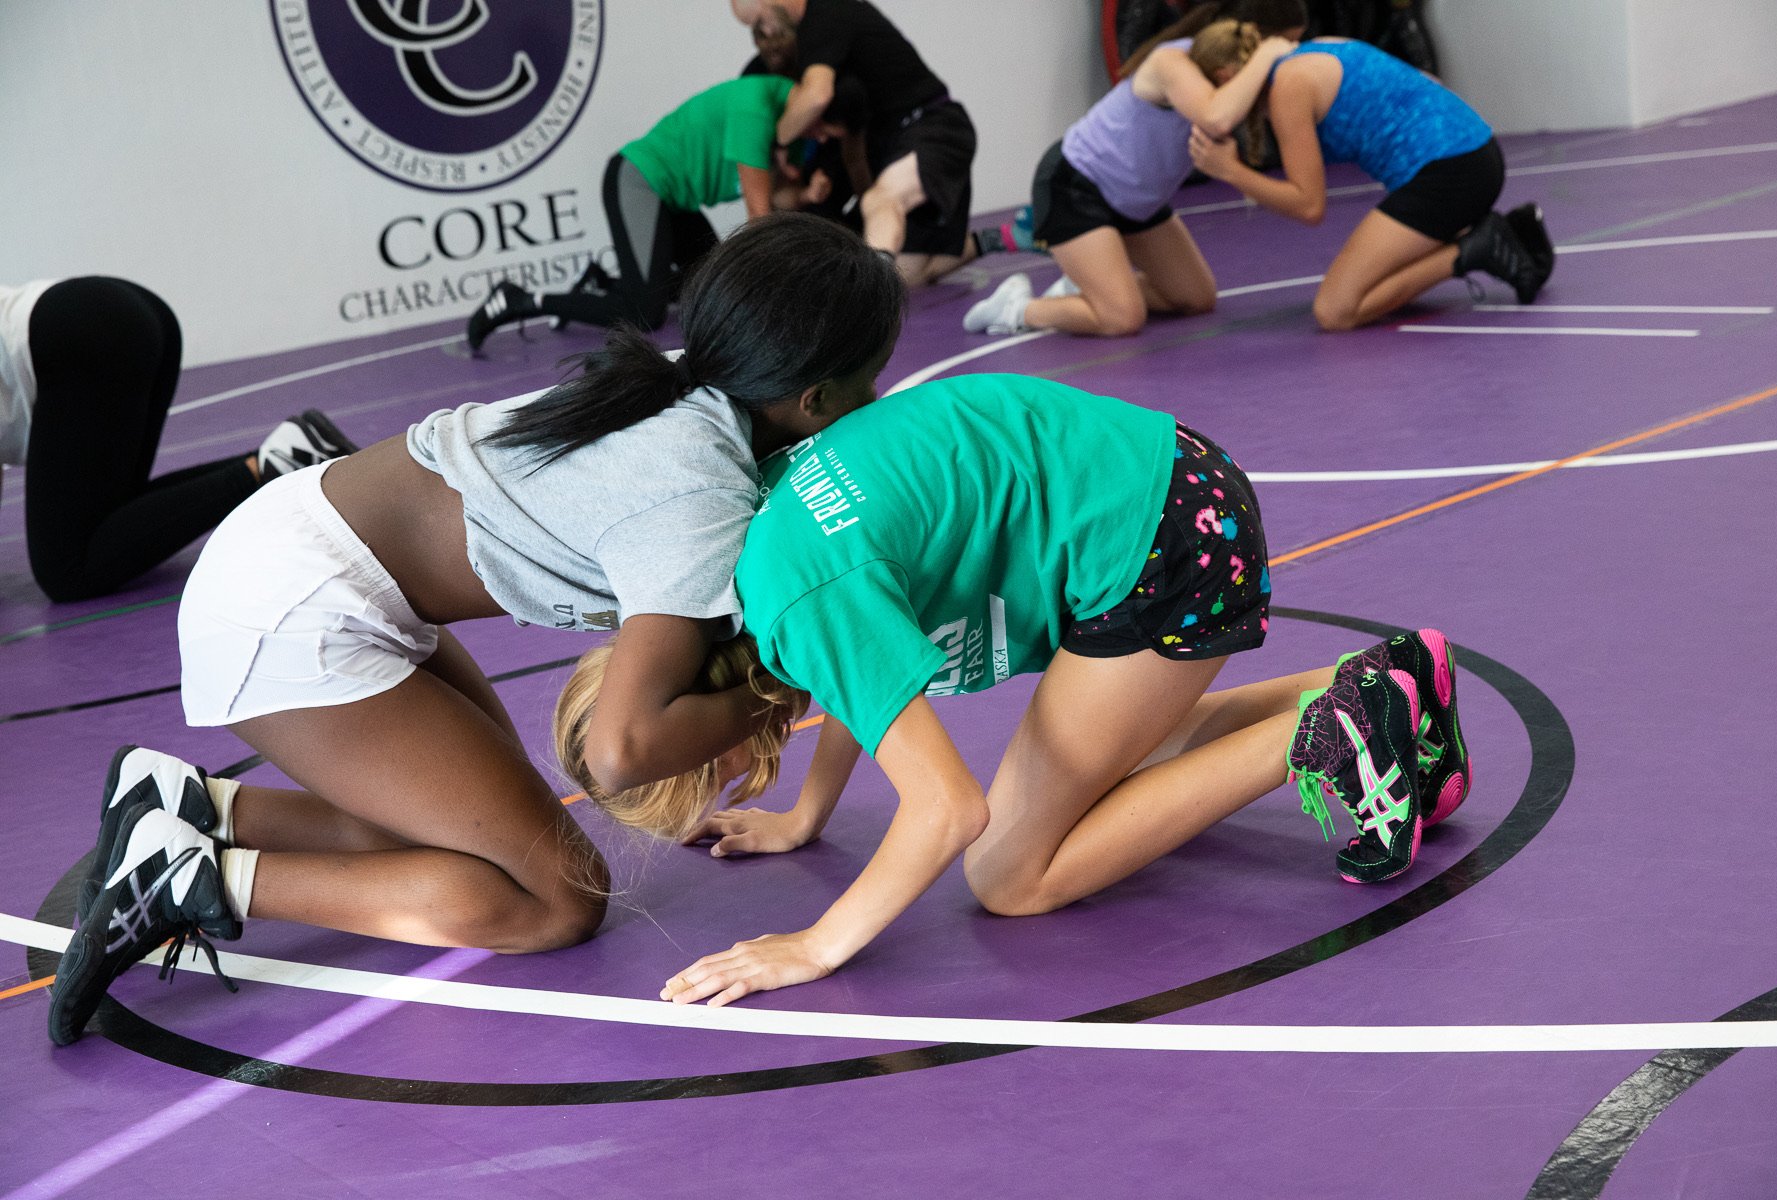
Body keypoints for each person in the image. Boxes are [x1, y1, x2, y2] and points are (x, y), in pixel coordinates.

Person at [47, 214, 908, 1045]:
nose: (877, 401)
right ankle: (192, 880)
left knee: (471, 835)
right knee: (557, 902)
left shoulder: (695, 379)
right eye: (872, 379)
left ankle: (190, 805)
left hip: (310, 552)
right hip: (289, 612)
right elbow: (621, 750)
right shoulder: (697, 495)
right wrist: (786, 688)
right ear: (816, 395)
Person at [558, 373, 1471, 1006]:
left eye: (710, 776)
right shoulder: (744, 572)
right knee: (1116, 774)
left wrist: (816, 945)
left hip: (1162, 548)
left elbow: (948, 809)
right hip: (1165, 480)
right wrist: (805, 816)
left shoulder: (800, 610)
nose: (729, 782)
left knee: (1009, 875)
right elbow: (863, 685)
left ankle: (1323, 727)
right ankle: (1389, 676)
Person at [1, 277, 355, 602]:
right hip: (113, 311)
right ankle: (292, 456)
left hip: (82, 334)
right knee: (110, 518)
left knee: (67, 570)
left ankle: (276, 464)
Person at [961, 5, 1303, 339]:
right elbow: (1215, 117)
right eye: (1283, 49)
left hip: (1136, 202)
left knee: (1196, 299)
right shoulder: (1173, 61)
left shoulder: (1228, 80)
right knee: (1121, 318)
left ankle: (1088, 290)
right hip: (1077, 187)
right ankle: (1017, 309)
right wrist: (1266, 56)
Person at [1185, 20, 1553, 330]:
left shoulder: (1288, 87)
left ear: (1225, 77)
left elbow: (1309, 205)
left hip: (1451, 170)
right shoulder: (1314, 49)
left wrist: (1229, 171)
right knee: (1369, 280)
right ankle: (1488, 233)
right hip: (1471, 151)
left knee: (1335, 310)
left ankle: (1477, 247)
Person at [466, 77, 865, 352]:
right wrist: (783, 306)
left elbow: (779, 197)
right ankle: (521, 299)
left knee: (711, 286)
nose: (824, 139)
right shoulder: (755, 110)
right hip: (640, 180)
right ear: (815, 106)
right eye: (825, 128)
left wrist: (806, 193)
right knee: (644, 314)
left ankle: (603, 284)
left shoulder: (791, 129)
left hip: (677, 199)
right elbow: (761, 218)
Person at [735, 0, 980, 287]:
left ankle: (870, 296)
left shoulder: (826, 14)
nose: (763, 31)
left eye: (760, 19)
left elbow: (816, 96)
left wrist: (775, 141)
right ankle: (998, 239)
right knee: (908, 275)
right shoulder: (791, 60)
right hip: (892, 143)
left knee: (882, 200)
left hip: (932, 126)